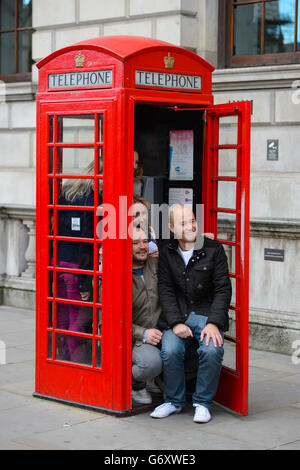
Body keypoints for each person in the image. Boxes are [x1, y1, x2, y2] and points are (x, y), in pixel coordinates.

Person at [150, 204, 232, 423]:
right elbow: (165, 289)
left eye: (193, 220)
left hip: (206, 314)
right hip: (178, 314)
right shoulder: (167, 251)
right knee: (170, 349)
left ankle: (203, 403)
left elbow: (223, 289)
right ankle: (174, 401)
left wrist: (214, 323)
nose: (190, 226)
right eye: (183, 223)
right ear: (172, 227)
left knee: (212, 350)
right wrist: (175, 323)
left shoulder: (213, 248)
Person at [55, 161, 98, 363]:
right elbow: (86, 243)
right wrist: (84, 280)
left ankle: (60, 358)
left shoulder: (70, 192)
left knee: (62, 317)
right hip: (76, 266)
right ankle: (78, 363)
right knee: (77, 320)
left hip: (59, 262)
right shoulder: (93, 199)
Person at [131, 226, 163, 405]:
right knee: (151, 364)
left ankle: (160, 381)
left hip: (162, 331)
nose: (142, 246)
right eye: (135, 243)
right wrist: (142, 333)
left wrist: (204, 239)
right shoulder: (116, 273)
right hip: (135, 338)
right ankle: (136, 383)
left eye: (144, 241)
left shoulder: (155, 263)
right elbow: (106, 324)